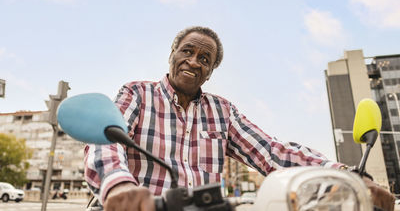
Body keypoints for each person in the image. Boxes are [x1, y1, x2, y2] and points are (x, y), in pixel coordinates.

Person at [84, 26, 395, 211]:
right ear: (173, 53)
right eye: (187, 51)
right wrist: (118, 187)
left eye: (204, 59)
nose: (193, 61)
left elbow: (273, 153)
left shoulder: (222, 112)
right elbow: (105, 143)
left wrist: (346, 176)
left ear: (211, 71)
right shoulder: (137, 93)